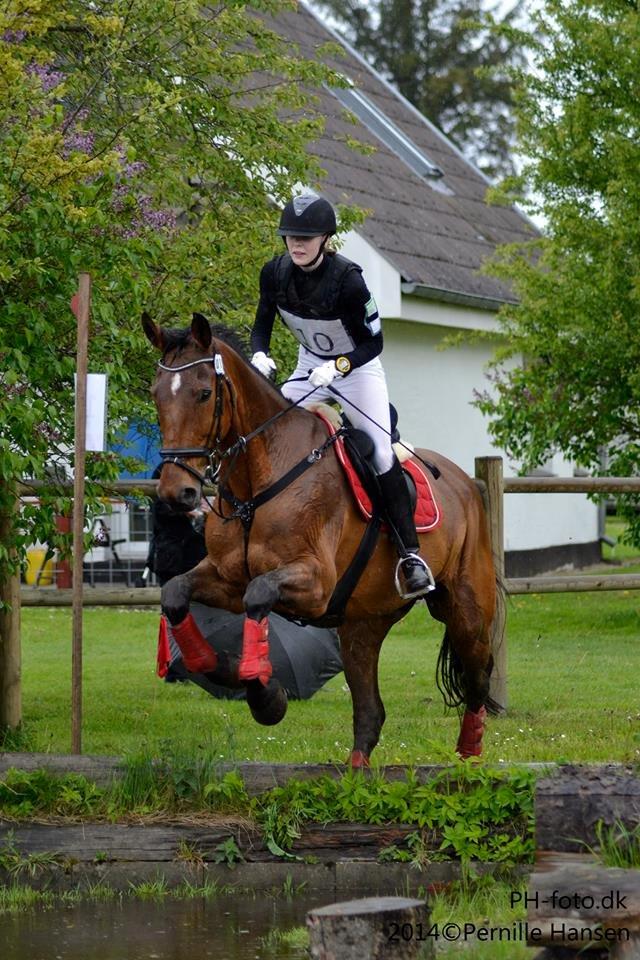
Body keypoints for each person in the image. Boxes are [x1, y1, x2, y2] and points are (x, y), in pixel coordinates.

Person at [250, 193, 434, 599]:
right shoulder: (274, 273)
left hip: (357, 371)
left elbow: (375, 343)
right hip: (306, 367)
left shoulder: (349, 280)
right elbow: (261, 324)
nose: (296, 245)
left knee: (382, 453)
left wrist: (339, 367)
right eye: (290, 237)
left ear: (325, 238)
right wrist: (259, 353)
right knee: (263, 431)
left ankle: (411, 556)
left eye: (306, 237)